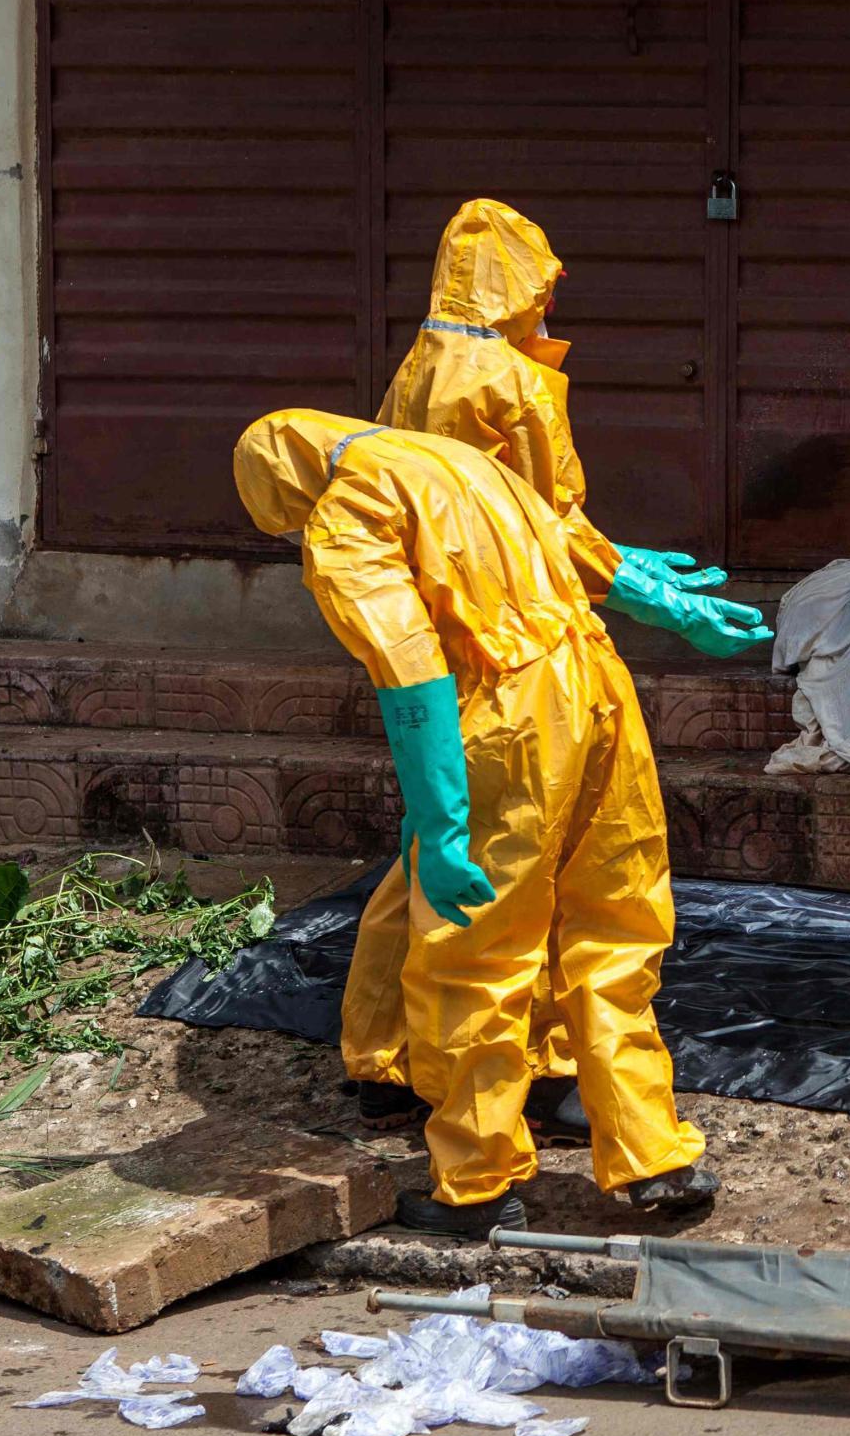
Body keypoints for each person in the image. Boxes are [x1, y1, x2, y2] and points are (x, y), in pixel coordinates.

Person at [340, 199, 768, 1147]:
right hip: (524, 657)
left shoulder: (420, 368)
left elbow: (485, 518)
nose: (551, 305)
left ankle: (385, 1057)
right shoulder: (506, 384)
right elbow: (545, 523)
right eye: (545, 287)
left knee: (435, 857)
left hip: (460, 646)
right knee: (528, 879)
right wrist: (650, 591)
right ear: (517, 284)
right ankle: (511, 1096)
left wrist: (635, 566)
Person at [233, 409, 718, 1233]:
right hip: (598, 689)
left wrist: (442, 823)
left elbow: (409, 675)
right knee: (614, 928)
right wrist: (667, 603)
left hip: (511, 719)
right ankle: (653, 1156)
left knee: (473, 954)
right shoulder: (459, 459)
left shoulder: (348, 510)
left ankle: (478, 1183)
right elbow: (576, 549)